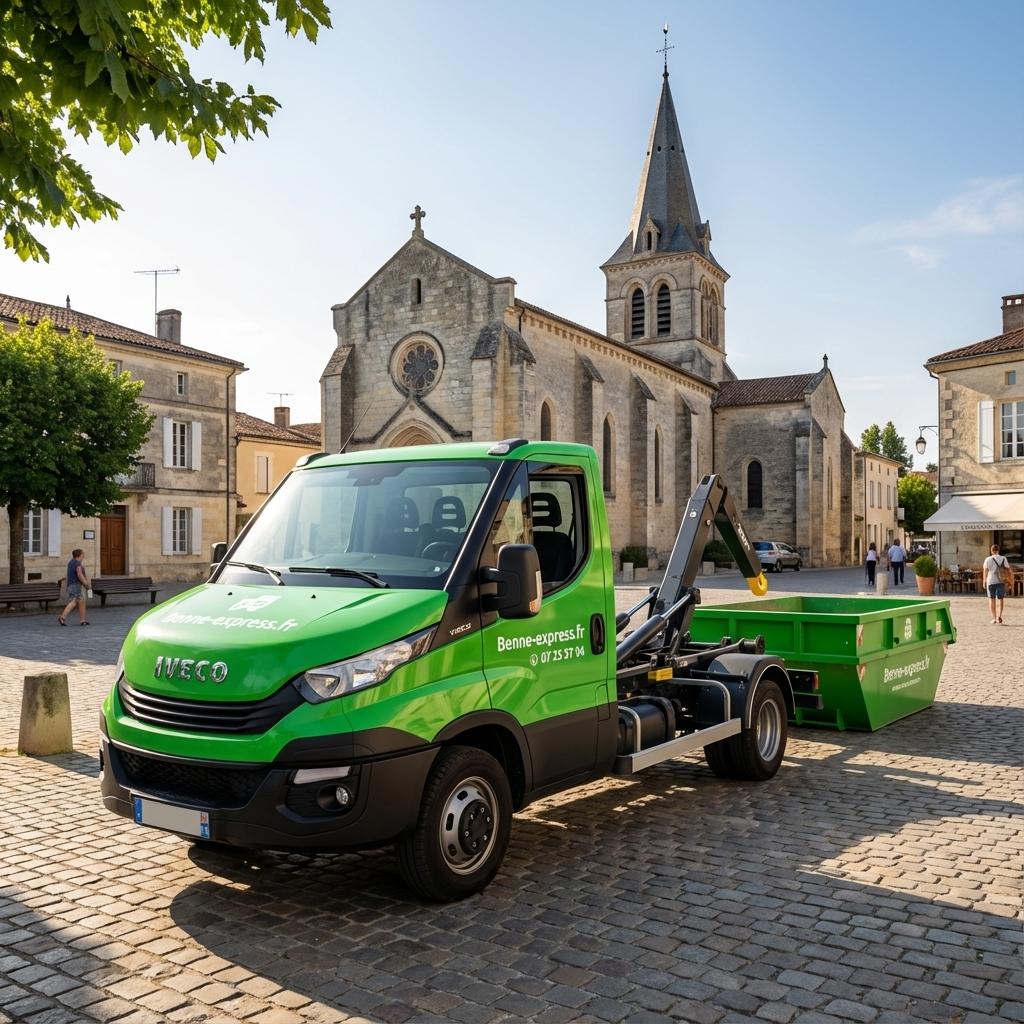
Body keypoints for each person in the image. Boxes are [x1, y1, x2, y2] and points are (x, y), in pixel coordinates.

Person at [58, 549, 91, 626]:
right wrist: (86, 584)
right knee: (74, 601)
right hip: (75, 585)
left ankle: (83, 620)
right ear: (79, 555)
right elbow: (80, 576)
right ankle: (62, 617)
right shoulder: (77, 564)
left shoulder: (71, 562)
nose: (84, 556)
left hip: (72, 585)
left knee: (81, 601)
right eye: (83, 554)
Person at [983, 543, 1010, 625]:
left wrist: (984, 581)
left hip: (990, 581)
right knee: (1001, 599)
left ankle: (994, 618)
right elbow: (1007, 568)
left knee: (992, 600)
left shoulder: (987, 559)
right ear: (998, 550)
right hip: (1000, 581)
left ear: (991, 551)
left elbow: (985, 571)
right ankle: (999, 616)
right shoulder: (1003, 558)